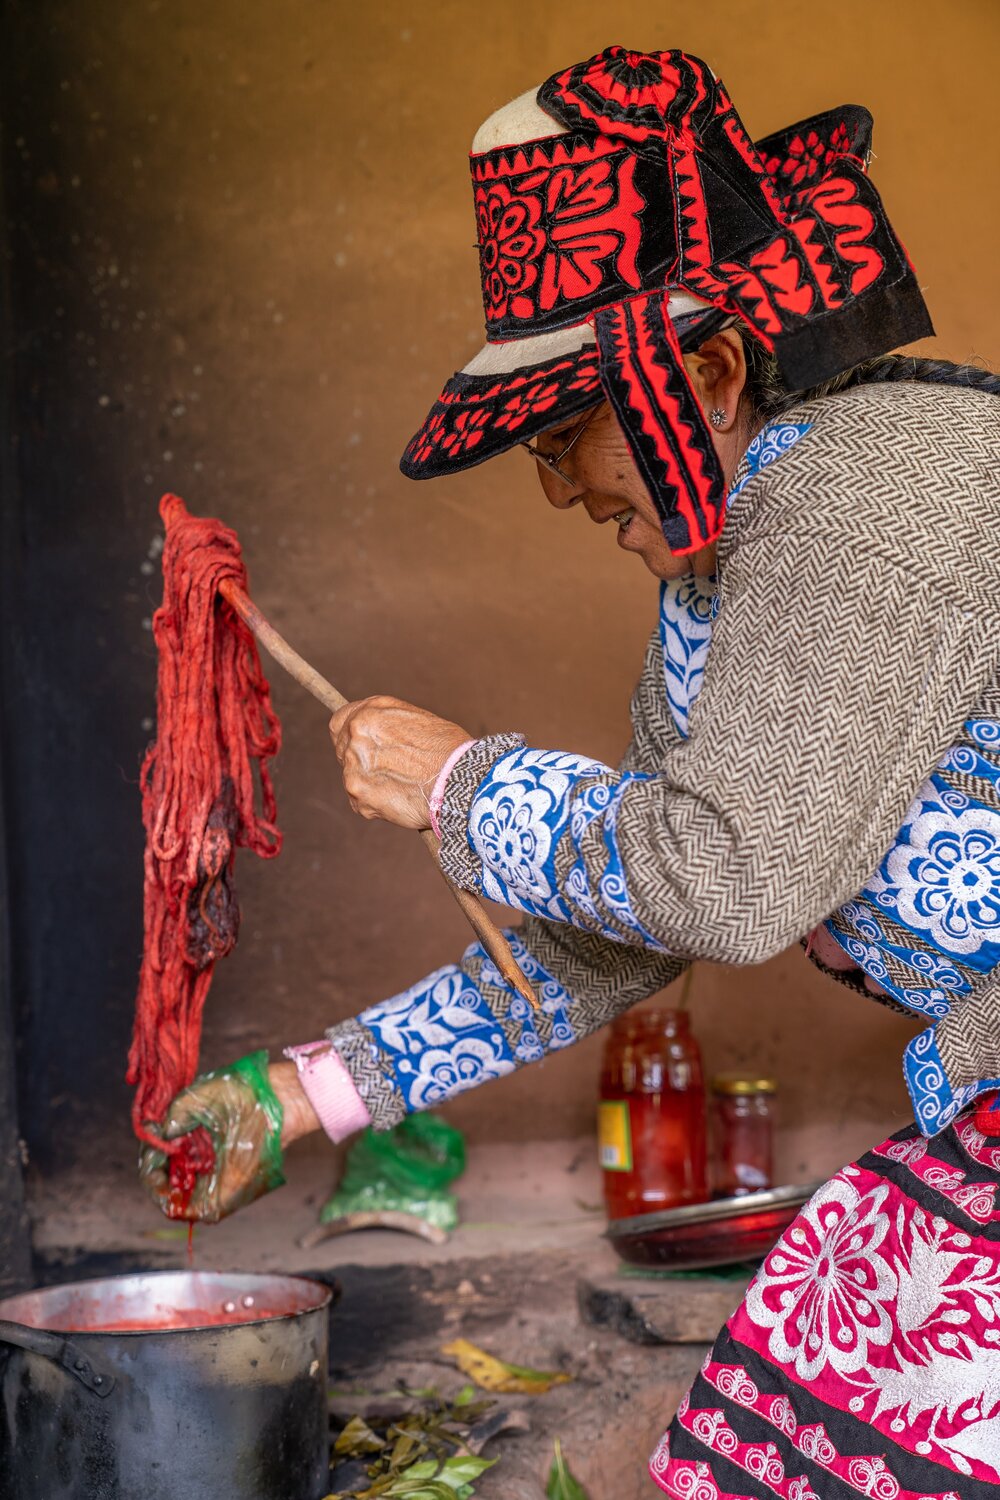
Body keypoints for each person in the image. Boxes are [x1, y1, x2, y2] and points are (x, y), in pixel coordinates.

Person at [142, 48, 1000, 1495]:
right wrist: (308, 1098)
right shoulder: (726, 554)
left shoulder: (873, 493)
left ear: (712, 372)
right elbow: (643, 904)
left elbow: (728, 881)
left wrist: (463, 783)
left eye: (561, 432)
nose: (560, 490)